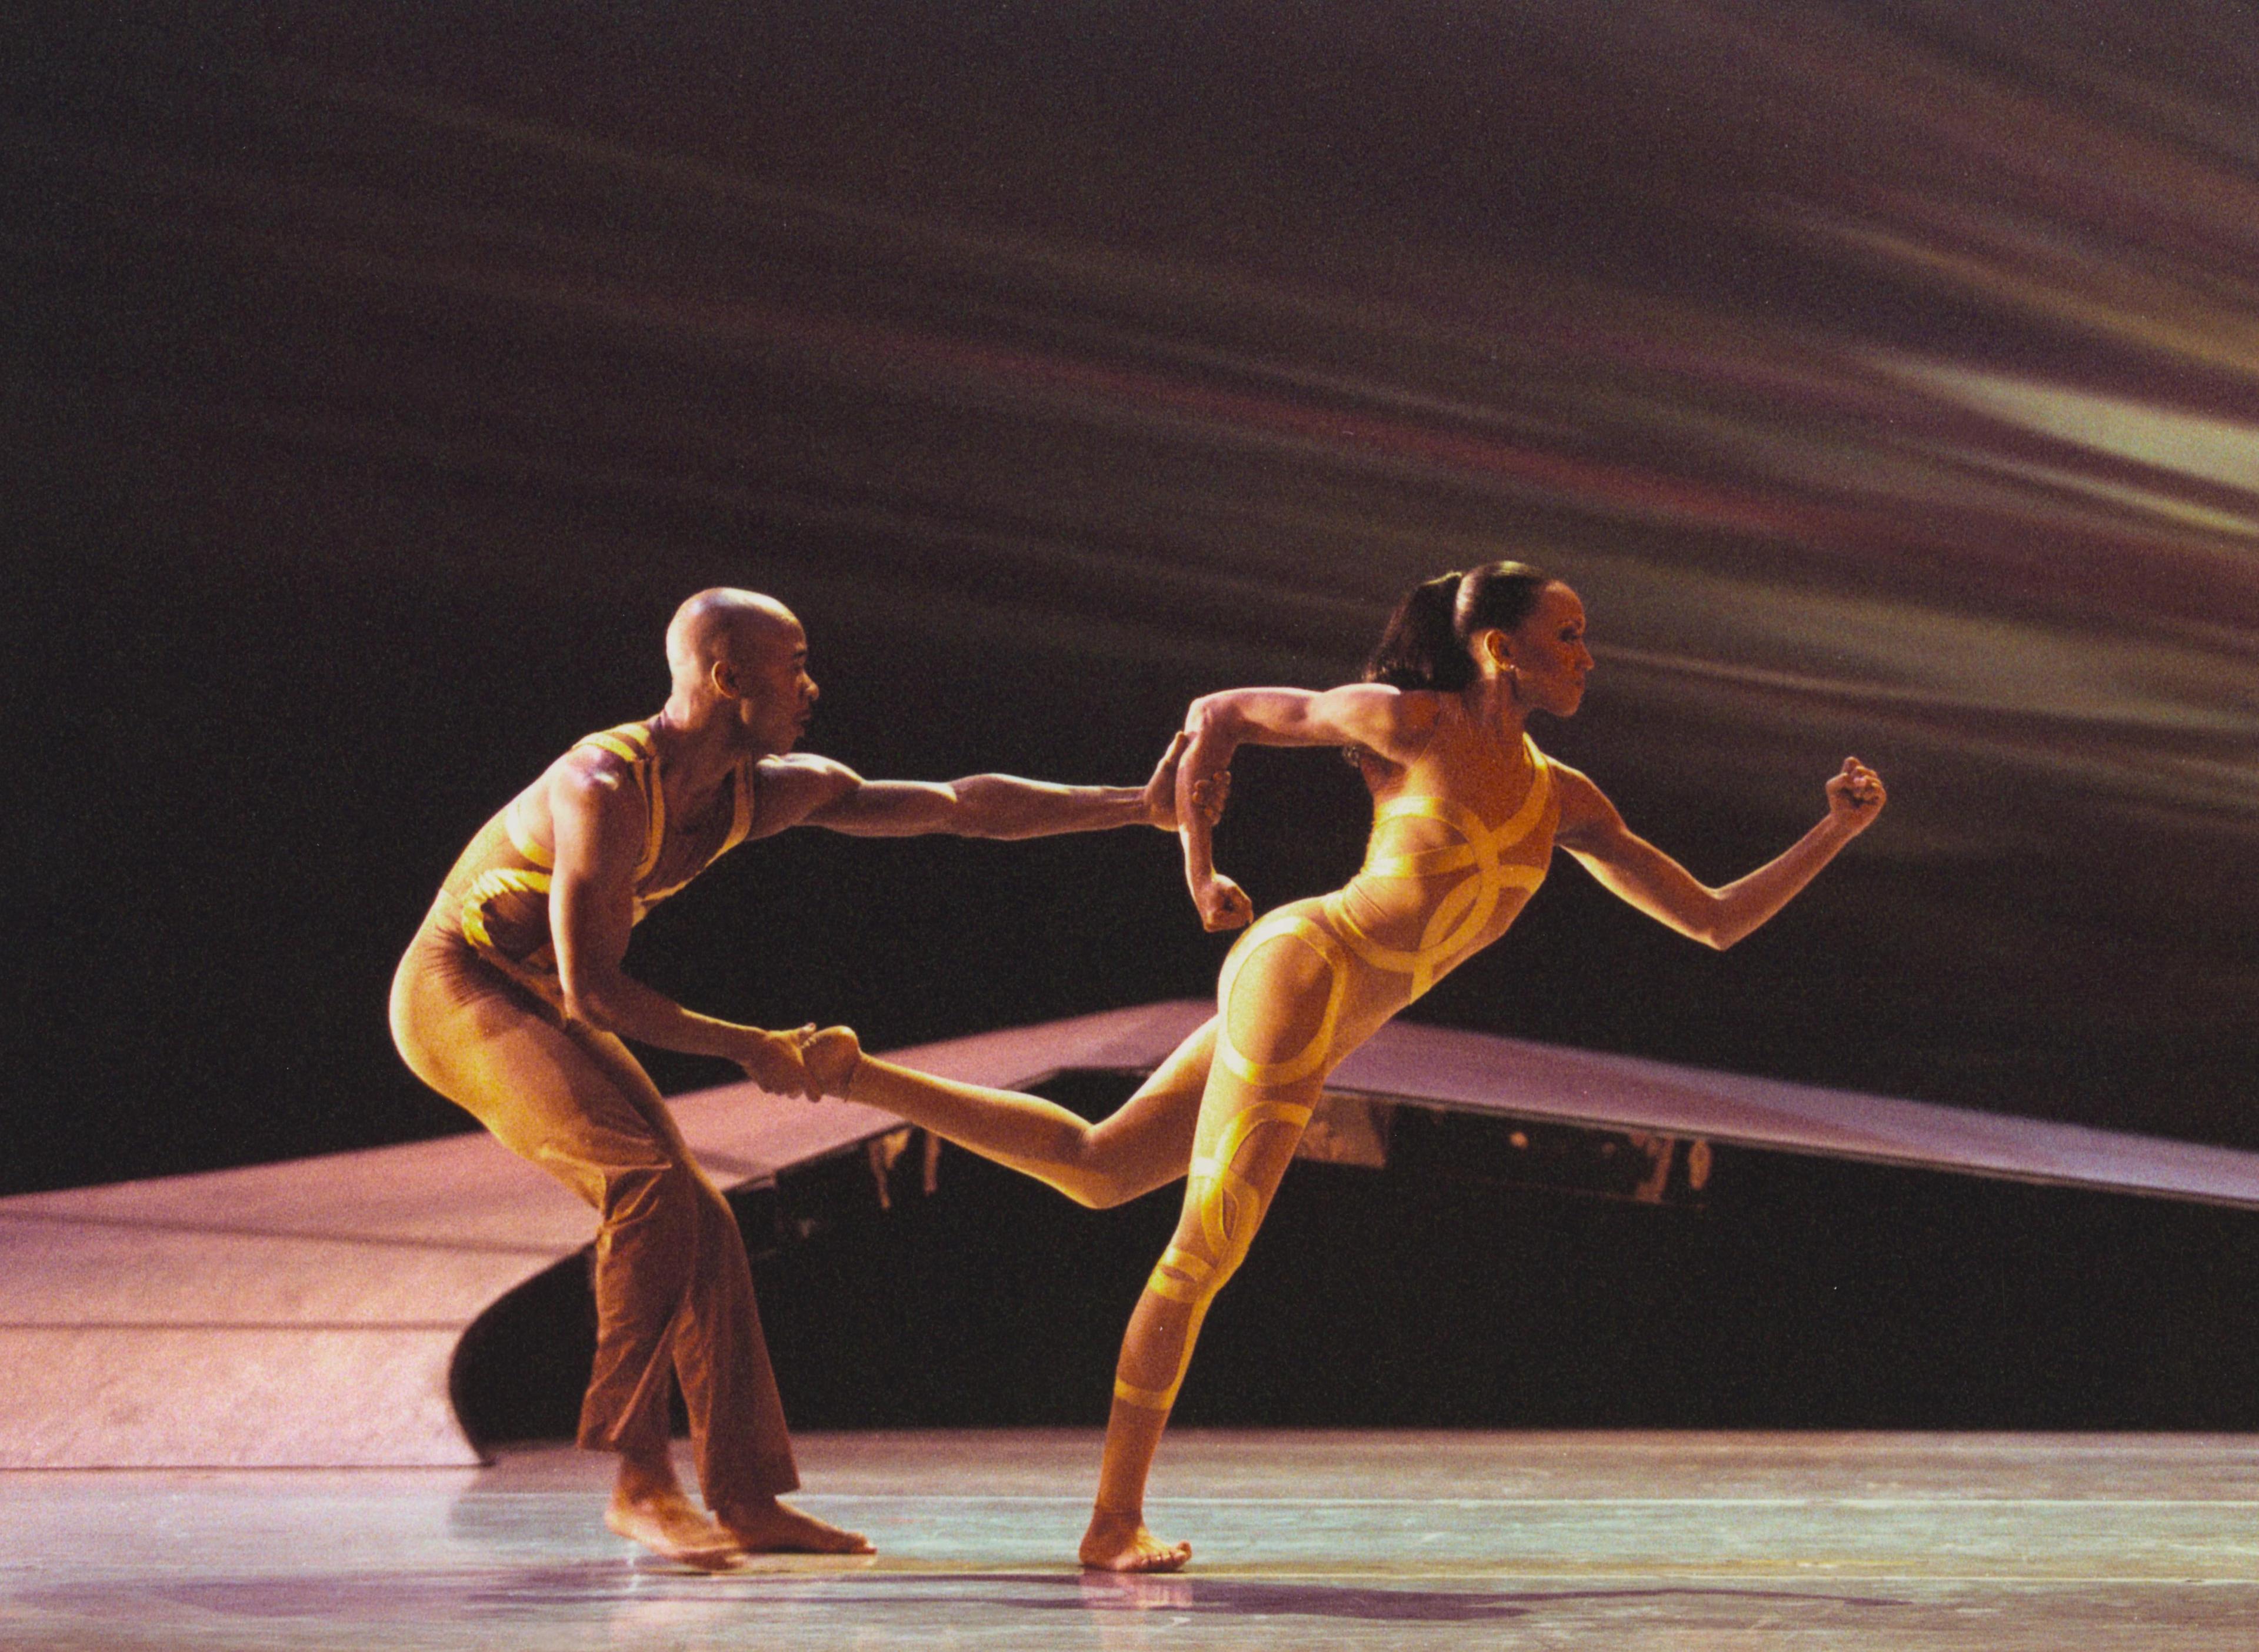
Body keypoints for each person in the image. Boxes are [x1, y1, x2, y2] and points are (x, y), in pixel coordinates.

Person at [804, 562, 1885, 1571]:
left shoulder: (1568, 802)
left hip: (1319, 1005)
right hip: (1303, 970)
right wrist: (1198, 867)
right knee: (1200, 1252)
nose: (1589, 655)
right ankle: (1112, 1520)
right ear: (1502, 651)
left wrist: (1831, 832)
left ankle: (861, 1077)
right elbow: (1217, 715)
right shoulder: (1409, 720)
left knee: (1100, 1166)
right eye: (1570, 636)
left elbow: (1711, 920)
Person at [389, 588, 1191, 1568]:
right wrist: (753, 1045)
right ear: (728, 679)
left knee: (708, 1220)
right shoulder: (599, 786)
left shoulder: (760, 790)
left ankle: (745, 1498)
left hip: (542, 992)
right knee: (645, 1188)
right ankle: (640, 1480)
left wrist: (1138, 808)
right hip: (457, 990)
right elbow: (597, 994)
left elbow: (960, 807)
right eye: (793, 665)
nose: (811, 686)